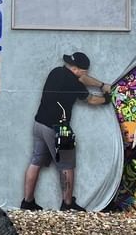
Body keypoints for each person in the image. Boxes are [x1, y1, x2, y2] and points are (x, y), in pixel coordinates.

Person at [21, 51, 112, 211]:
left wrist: (101, 85)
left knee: (35, 161)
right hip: (58, 128)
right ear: (77, 69)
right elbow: (91, 99)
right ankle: (68, 204)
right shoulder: (73, 83)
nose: (86, 74)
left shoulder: (56, 71)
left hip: (39, 123)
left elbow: (82, 78)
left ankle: (27, 202)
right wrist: (106, 99)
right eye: (84, 71)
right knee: (67, 165)